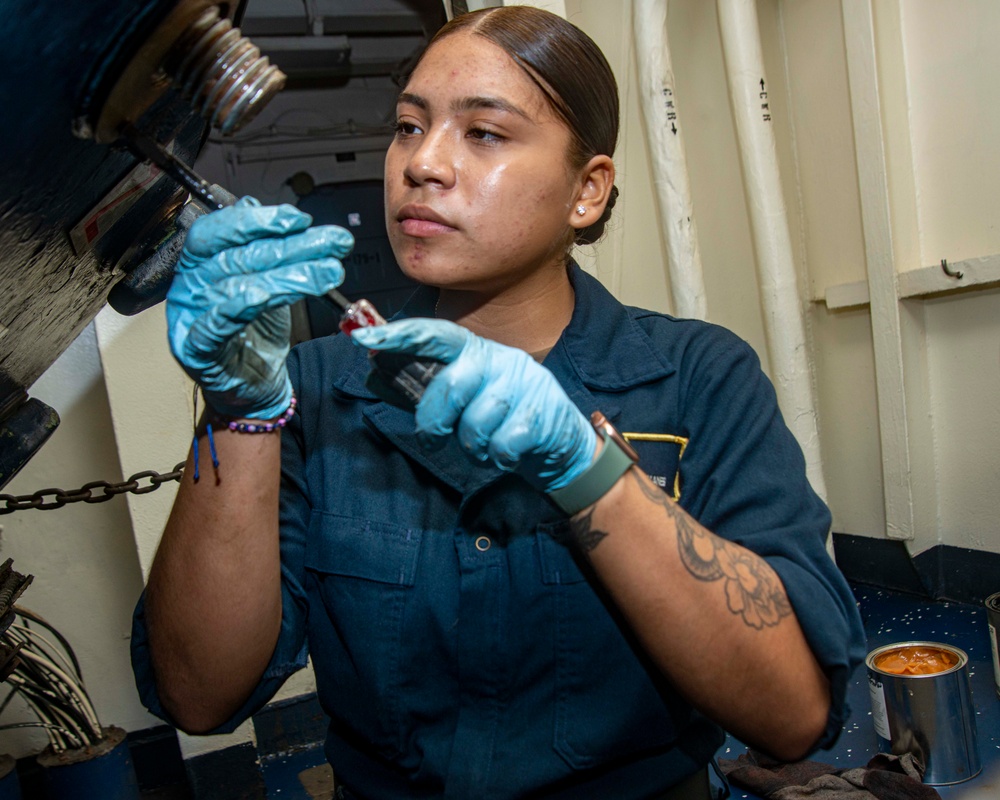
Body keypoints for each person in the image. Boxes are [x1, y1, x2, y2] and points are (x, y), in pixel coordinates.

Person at [131, 6, 866, 799]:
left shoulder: (697, 375)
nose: (423, 164)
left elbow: (792, 717)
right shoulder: (309, 387)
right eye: (409, 127)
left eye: (484, 133)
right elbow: (199, 696)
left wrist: (593, 475)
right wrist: (240, 413)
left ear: (587, 191)